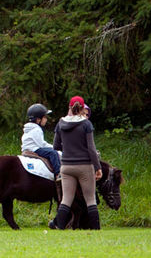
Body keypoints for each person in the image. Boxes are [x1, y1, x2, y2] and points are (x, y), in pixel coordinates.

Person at [50, 96, 102, 230]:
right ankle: (96, 229)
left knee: (66, 199)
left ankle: (59, 227)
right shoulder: (86, 124)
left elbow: (56, 145)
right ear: (82, 108)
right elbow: (91, 148)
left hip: (66, 166)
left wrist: (68, 150)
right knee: (90, 199)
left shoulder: (61, 123)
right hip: (84, 165)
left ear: (70, 107)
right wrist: (98, 167)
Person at [22, 103, 61, 178]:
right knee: (53, 153)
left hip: (27, 148)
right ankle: (58, 173)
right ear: (38, 120)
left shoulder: (28, 128)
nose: (46, 119)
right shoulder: (36, 129)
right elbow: (41, 144)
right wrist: (54, 147)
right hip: (35, 149)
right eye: (45, 117)